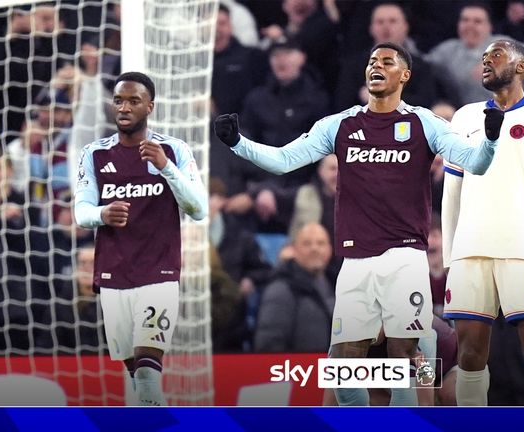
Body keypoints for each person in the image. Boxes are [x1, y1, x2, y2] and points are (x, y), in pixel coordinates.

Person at [213, 42, 501, 406]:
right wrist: (238, 143)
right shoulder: (341, 124)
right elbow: (285, 160)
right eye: (371, 61)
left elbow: (474, 162)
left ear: (405, 75)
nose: (376, 66)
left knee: (414, 370)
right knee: (341, 379)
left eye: (387, 61)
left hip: (404, 259)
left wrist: (490, 141)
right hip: (356, 264)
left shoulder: (423, 122)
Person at [442, 39, 524, 405]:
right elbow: (451, 192)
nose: (486, 61)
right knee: (468, 355)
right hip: (469, 251)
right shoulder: (465, 117)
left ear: (520, 67)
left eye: (495, 56)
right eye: (483, 57)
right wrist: (449, 261)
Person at [73, 72, 208, 406]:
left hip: (157, 274)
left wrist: (166, 167)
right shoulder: (95, 154)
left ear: (150, 106)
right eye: (119, 100)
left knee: (148, 370)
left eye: (133, 100)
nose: (124, 107)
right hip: (113, 274)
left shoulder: (173, 150)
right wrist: (102, 214)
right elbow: (81, 211)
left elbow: (199, 208)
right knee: (135, 376)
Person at [254, 222, 335, 352]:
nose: (314, 248)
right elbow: (269, 346)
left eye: (321, 243)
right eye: (306, 243)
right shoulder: (280, 290)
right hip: (298, 370)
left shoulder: (337, 286)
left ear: (330, 250)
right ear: (293, 250)